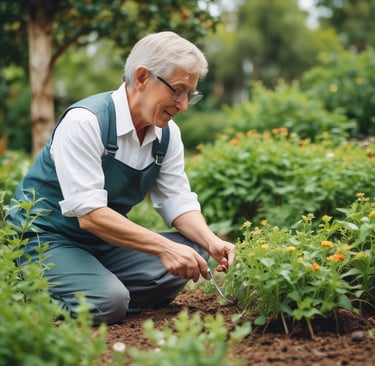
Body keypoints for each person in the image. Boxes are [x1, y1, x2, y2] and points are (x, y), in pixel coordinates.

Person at [7, 31, 235, 325]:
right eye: (177, 91)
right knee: (109, 301)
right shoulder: (86, 122)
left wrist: (212, 241)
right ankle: (24, 294)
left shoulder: (166, 135)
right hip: (45, 240)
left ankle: (92, 286)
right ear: (142, 78)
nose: (183, 106)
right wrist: (164, 247)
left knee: (194, 252)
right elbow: (90, 216)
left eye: (190, 95)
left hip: (104, 245)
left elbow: (176, 200)